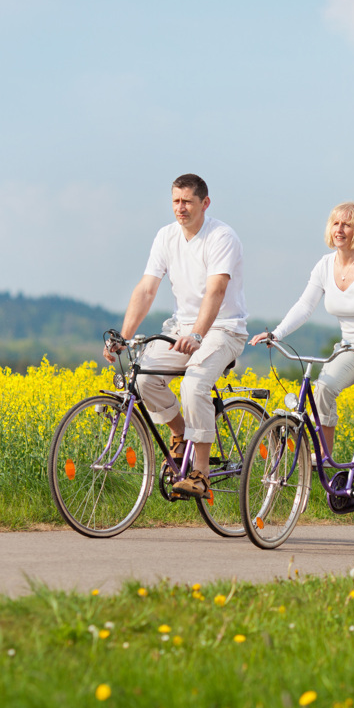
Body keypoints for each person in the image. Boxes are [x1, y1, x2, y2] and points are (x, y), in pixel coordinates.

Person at [249, 201, 354, 520]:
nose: (340, 230)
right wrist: (276, 333)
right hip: (350, 347)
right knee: (322, 388)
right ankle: (326, 460)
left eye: (347, 225)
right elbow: (305, 305)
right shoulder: (324, 265)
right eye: (335, 223)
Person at [103, 174, 248, 498]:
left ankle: (201, 474)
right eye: (175, 202)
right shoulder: (166, 237)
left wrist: (198, 334)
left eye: (187, 202)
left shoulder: (221, 236)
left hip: (224, 327)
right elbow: (147, 289)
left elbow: (217, 289)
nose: (180, 208)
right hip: (181, 328)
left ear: (204, 203)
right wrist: (124, 337)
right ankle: (180, 434)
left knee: (194, 384)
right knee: (142, 380)